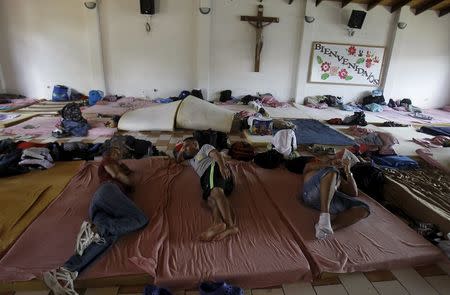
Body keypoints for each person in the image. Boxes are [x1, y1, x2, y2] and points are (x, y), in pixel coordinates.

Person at [43, 147, 149, 295]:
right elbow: (117, 174)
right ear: (111, 153)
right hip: (107, 193)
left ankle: (65, 271)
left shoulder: (118, 164)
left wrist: (126, 171)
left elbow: (125, 172)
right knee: (140, 219)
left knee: (105, 239)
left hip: (102, 210)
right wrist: (129, 182)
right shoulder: (108, 161)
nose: (120, 155)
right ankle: (100, 228)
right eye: (117, 152)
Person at [288, 155, 370, 240]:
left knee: (364, 209)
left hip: (330, 199)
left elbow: (353, 193)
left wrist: (347, 170)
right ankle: (324, 215)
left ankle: (324, 228)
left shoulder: (336, 174)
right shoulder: (313, 168)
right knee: (331, 171)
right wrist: (331, 164)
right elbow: (308, 166)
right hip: (310, 195)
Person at [177, 137, 238, 242]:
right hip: (207, 179)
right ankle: (218, 223)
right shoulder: (192, 161)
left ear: (195, 144)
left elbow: (216, 154)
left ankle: (231, 226)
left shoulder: (204, 148)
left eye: (187, 145)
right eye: (184, 147)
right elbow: (178, 161)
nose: (185, 148)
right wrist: (181, 150)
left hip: (214, 168)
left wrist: (222, 166)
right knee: (210, 200)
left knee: (216, 192)